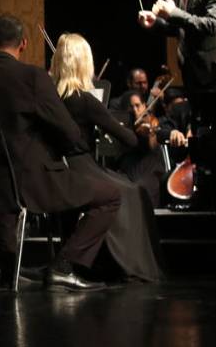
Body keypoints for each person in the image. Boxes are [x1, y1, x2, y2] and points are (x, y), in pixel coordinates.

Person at [0, 14, 122, 292]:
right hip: (29, 183)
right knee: (110, 195)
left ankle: (12, 270)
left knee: (16, 192)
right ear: (24, 43)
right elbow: (69, 132)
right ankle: (63, 266)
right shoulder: (31, 77)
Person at [50, 33, 162, 282]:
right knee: (133, 192)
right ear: (83, 64)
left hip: (60, 168)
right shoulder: (86, 100)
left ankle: (96, 260)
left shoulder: (52, 98)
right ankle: (123, 265)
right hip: (82, 169)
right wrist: (138, 126)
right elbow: (129, 140)